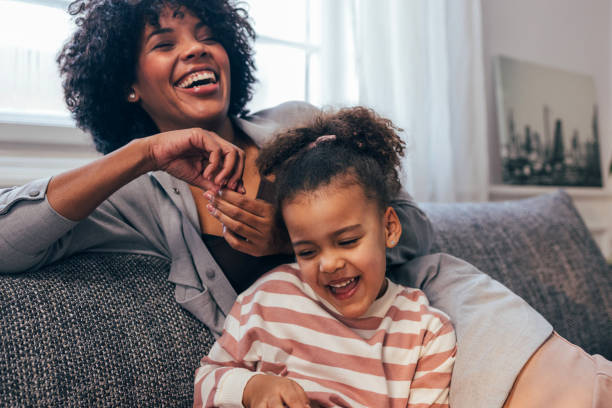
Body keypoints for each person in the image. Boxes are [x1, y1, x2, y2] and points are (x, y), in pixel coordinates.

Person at [0, 0, 579, 407]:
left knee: (572, 389)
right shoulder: (139, 195)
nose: (197, 50)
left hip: (429, 315)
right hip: (332, 374)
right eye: (165, 43)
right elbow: (8, 244)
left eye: (208, 34)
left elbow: (416, 233)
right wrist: (142, 153)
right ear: (127, 84)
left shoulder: (300, 126)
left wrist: (290, 238)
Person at [193, 107, 457, 408]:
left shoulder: (424, 332)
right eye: (307, 252)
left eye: (347, 241)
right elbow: (206, 380)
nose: (329, 264)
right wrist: (252, 387)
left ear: (389, 228)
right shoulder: (267, 299)